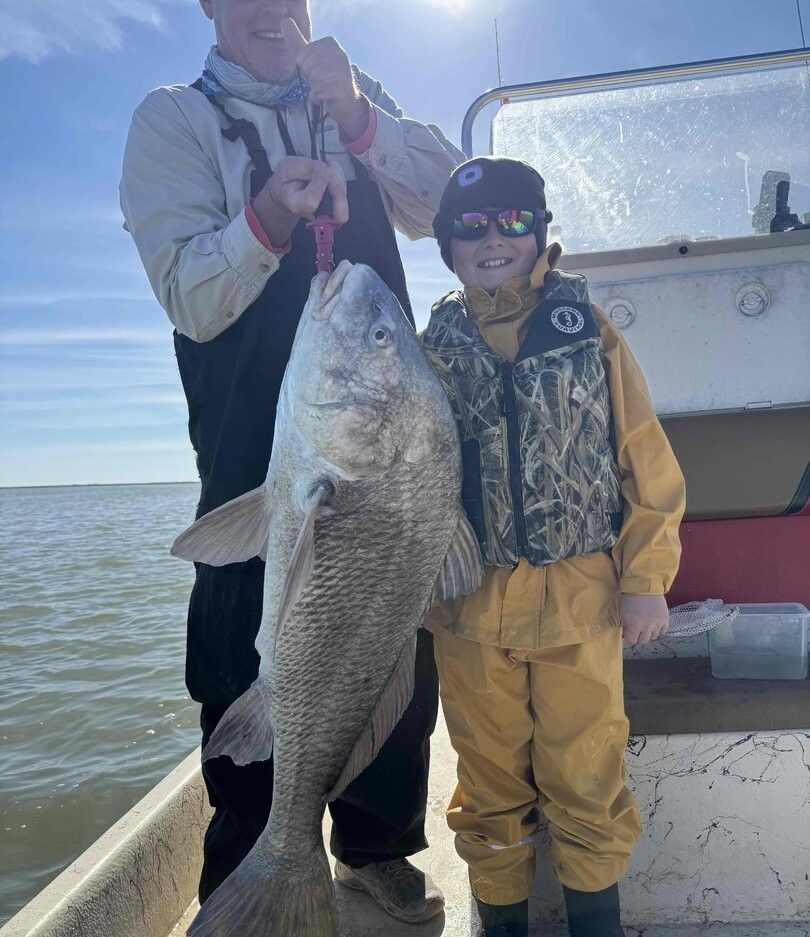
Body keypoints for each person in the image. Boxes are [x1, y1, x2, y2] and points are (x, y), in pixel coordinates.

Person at [120, 0, 462, 922]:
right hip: (257, 443)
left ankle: (380, 847)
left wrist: (359, 119)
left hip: (381, 445)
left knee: (395, 649)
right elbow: (191, 297)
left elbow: (453, 206)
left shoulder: (354, 92)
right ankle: (254, 873)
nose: (273, 10)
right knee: (244, 654)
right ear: (210, 8)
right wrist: (267, 217)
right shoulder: (173, 121)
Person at [421, 157, 686, 937]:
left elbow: (648, 462)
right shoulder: (430, 347)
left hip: (583, 606)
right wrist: (420, 591)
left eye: (512, 221)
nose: (493, 238)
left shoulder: (590, 332)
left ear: (539, 234)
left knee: (587, 779)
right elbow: (407, 479)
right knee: (489, 785)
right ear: (447, 244)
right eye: (471, 226)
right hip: (470, 612)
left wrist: (647, 577)